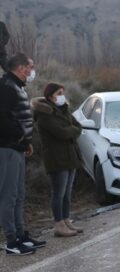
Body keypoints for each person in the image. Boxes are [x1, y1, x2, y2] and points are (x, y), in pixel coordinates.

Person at [0, 53, 44, 255]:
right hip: (7, 148)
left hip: (17, 147)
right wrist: (19, 137)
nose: (32, 71)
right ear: (20, 68)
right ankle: (11, 241)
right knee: (8, 196)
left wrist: (26, 142)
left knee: (18, 195)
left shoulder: (16, 86)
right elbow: (3, 117)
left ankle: (20, 235)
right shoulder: (7, 87)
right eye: (30, 66)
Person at [32, 83, 83, 238]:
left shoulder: (64, 109)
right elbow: (62, 133)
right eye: (59, 93)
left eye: (63, 92)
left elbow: (78, 126)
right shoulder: (44, 115)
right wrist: (72, 131)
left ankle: (66, 220)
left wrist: (72, 131)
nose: (62, 96)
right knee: (58, 193)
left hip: (70, 156)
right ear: (50, 96)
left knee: (67, 193)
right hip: (57, 158)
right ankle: (59, 224)